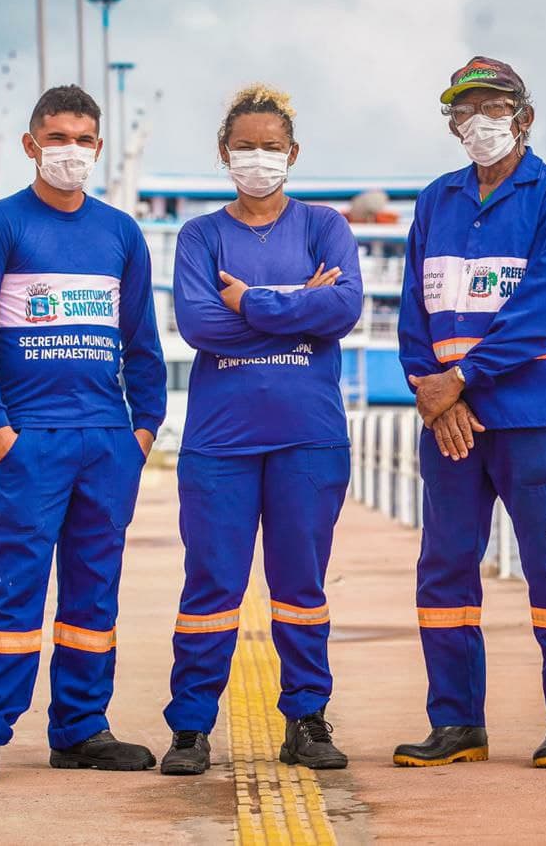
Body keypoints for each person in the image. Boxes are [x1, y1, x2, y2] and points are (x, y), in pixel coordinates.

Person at [0, 85, 167, 782]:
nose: (70, 150)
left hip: (107, 439)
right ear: (31, 144)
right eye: (57, 136)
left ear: (98, 148)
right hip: (29, 438)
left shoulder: (120, 233)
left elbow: (141, 338)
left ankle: (80, 730)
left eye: (82, 138)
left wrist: (144, 426)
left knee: (93, 592)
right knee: (10, 584)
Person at [394, 57, 546, 768]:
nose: (476, 122)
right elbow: (414, 310)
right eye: (462, 110)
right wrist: (428, 389)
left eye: (492, 107)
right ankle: (456, 724)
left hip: (530, 411)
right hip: (451, 418)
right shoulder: (436, 201)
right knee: (444, 567)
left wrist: (462, 379)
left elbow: (542, 308)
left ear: (524, 117)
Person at [159, 84, 363, 775]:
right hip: (221, 442)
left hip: (309, 437)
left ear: (293, 154)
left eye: (271, 148)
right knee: (211, 585)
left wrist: (250, 301)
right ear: (224, 153)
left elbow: (343, 311)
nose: (258, 159)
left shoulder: (325, 226)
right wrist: (298, 302)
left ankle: (306, 718)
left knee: (300, 586)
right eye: (245, 146)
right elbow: (197, 324)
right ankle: (190, 727)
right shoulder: (200, 235)